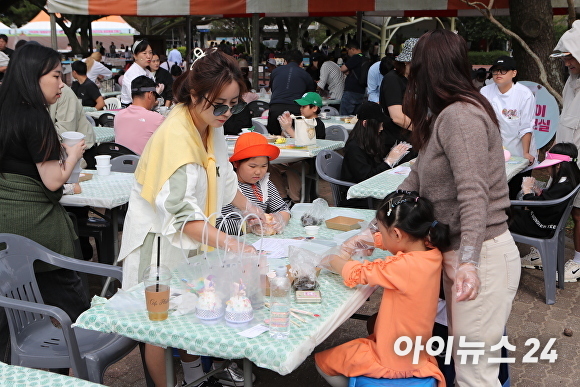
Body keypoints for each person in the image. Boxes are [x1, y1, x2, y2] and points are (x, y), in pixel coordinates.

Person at [117, 49, 258, 387]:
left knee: (193, 308)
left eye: (234, 104)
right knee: (159, 323)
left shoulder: (210, 121)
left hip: (192, 237)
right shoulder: (176, 139)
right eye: (220, 104)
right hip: (159, 242)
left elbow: (223, 178)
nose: (227, 113)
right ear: (195, 95)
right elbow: (182, 218)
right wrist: (234, 244)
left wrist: (253, 209)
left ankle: (195, 377)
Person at [398, 29, 520, 386]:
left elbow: (473, 193)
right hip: (463, 254)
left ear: (427, 70)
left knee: (474, 376)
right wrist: (379, 223)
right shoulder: (444, 115)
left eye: (414, 69)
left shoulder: (460, 117)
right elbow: (415, 178)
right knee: (468, 367)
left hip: (482, 255)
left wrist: (469, 261)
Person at [0, 43, 89, 365]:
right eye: (55, 75)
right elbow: (54, 180)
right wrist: (75, 154)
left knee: (11, 307)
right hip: (36, 227)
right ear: (33, 77)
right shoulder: (34, 116)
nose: (62, 83)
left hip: (6, 224)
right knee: (74, 307)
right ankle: (71, 368)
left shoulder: (5, 108)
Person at [315, 190, 448, 387]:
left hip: (393, 360)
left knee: (322, 362)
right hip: (415, 351)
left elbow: (358, 273)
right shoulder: (431, 251)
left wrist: (332, 259)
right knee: (373, 322)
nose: (379, 236)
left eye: (382, 232)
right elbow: (401, 243)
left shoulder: (402, 267)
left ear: (396, 234)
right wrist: (372, 240)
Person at [510, 143, 580, 272]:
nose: (547, 170)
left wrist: (527, 191)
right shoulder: (569, 180)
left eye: (549, 166)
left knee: (499, 218)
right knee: (507, 212)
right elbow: (551, 201)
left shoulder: (563, 185)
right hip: (547, 222)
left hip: (539, 227)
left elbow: (539, 206)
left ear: (558, 165)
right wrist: (539, 191)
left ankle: (502, 258)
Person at [481, 55, 537, 199]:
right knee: (494, 196)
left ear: (514, 73)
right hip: (494, 154)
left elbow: (526, 126)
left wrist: (525, 153)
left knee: (514, 197)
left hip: (518, 153)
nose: (498, 74)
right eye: (495, 71)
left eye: (503, 70)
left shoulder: (524, 94)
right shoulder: (485, 92)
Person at [550, 20, 580, 282]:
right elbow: (565, 120)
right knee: (561, 206)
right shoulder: (571, 83)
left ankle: (579, 261)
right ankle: (550, 249)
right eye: (565, 57)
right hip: (565, 158)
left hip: (578, 161)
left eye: (571, 57)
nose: (567, 62)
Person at [217, 132, 290, 235]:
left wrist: (279, 220)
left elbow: (283, 208)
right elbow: (218, 224)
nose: (258, 172)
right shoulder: (228, 187)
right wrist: (249, 228)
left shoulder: (265, 185)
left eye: (263, 166)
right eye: (252, 166)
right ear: (236, 163)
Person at [270, 92, 325, 204]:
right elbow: (287, 139)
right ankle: (283, 196)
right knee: (270, 165)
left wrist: (289, 128)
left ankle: (295, 200)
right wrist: (285, 128)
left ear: (314, 108)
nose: (301, 109)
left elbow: (306, 144)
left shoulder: (317, 124)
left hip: (307, 161)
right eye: (300, 106)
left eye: (304, 106)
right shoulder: (299, 121)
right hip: (291, 157)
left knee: (294, 170)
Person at [341, 102, 412, 184]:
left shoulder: (374, 139)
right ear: (365, 123)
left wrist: (397, 154)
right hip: (358, 190)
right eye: (379, 124)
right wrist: (388, 161)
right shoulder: (354, 147)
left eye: (382, 124)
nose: (381, 128)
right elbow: (366, 178)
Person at [267, 50, 316, 135]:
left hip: (275, 107)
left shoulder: (275, 71)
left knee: (274, 138)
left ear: (285, 61)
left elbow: (272, 88)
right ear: (301, 62)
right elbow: (310, 95)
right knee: (295, 140)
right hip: (296, 109)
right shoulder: (305, 74)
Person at [114, 76, 165, 155]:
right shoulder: (157, 119)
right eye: (155, 97)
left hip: (119, 163)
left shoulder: (118, 116)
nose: (155, 101)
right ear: (150, 94)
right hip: (144, 165)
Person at [379, 38, 417, 135]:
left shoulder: (413, 79)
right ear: (406, 61)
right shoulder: (392, 79)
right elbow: (397, 117)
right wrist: (424, 132)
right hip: (397, 140)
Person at [121, 40, 154, 107]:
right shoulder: (131, 73)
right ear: (135, 56)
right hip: (131, 110)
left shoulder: (148, 72)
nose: (148, 56)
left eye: (150, 53)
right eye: (144, 53)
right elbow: (135, 100)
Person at [339, 41, 366, 115]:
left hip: (351, 91)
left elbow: (343, 69)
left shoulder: (356, 57)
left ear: (353, 49)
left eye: (348, 50)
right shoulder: (365, 58)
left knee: (344, 116)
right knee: (356, 117)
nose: (347, 53)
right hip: (361, 90)